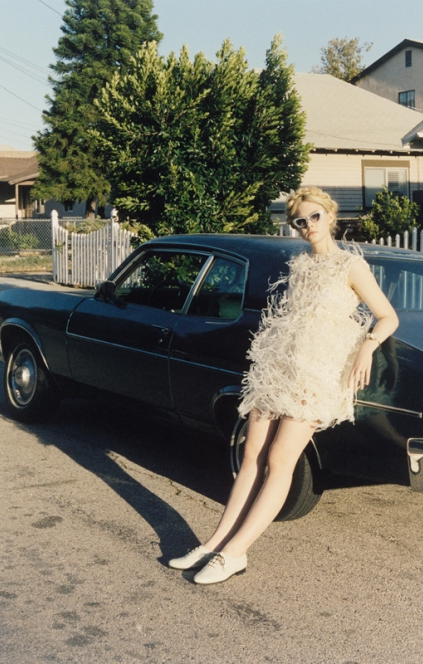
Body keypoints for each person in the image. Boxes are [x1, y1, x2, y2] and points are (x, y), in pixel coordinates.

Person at [168, 186, 399, 585]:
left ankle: (235, 554)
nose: (309, 225)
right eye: (300, 221)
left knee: (280, 459)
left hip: (317, 373)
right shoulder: (300, 265)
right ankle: (215, 544)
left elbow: (388, 316)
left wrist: (368, 345)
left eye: (315, 217)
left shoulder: (350, 266)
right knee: (251, 453)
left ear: (331, 216)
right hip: (279, 367)